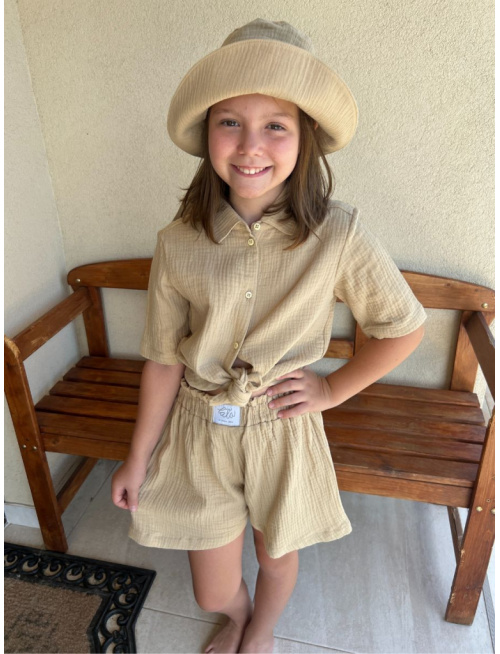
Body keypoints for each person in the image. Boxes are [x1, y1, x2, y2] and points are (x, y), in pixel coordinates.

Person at [111, 18, 427, 654]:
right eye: (230, 121)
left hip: (283, 427)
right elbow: (164, 358)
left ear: (305, 138)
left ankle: (258, 630)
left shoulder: (338, 233)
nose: (250, 145)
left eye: (275, 125)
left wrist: (331, 390)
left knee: (277, 552)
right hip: (199, 428)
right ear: (207, 133)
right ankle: (233, 614)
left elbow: (403, 327)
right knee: (211, 589)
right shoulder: (178, 241)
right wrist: (138, 456)